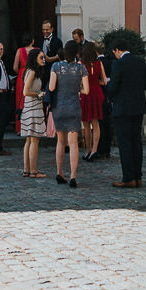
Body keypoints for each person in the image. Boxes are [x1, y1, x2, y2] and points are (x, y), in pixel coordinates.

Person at [107, 41, 146, 187]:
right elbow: (145, 85)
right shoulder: (140, 62)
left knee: (125, 143)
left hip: (122, 108)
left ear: (117, 50)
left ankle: (128, 178)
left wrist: (108, 90)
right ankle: (138, 176)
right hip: (138, 106)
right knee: (136, 142)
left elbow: (113, 86)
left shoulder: (118, 64)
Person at [49, 41, 89, 187]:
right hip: (73, 106)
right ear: (77, 53)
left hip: (59, 107)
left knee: (60, 141)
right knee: (73, 143)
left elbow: (51, 87)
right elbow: (86, 90)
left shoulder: (56, 66)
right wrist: (77, 88)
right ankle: (73, 176)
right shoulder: (81, 68)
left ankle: (59, 172)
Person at [78, 39, 108, 161]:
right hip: (96, 92)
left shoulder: (81, 64)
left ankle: (88, 150)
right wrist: (96, 82)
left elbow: (78, 81)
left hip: (86, 93)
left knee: (86, 124)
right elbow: (104, 81)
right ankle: (95, 150)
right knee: (96, 123)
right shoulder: (98, 63)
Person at [19, 49, 47, 177]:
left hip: (30, 107)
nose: (43, 59)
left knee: (30, 140)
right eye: (41, 57)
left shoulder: (31, 71)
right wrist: (40, 94)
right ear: (34, 58)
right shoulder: (32, 72)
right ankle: (33, 171)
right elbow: (26, 92)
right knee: (34, 140)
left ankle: (27, 170)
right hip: (33, 107)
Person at [12, 31, 34, 133]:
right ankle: (33, 128)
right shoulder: (37, 50)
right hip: (34, 77)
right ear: (32, 41)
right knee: (34, 101)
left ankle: (20, 129)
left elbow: (15, 67)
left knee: (21, 101)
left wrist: (21, 71)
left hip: (22, 76)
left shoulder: (19, 51)